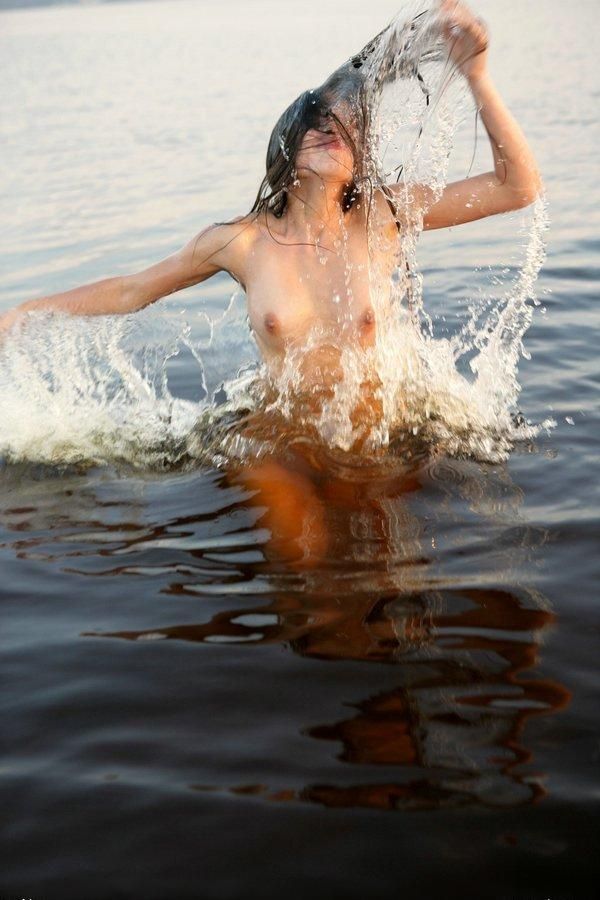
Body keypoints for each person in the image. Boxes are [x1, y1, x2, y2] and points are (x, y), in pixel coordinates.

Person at [0, 0, 542, 565]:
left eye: (348, 128)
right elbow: (131, 291)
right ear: (286, 142)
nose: (335, 132)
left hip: (382, 431)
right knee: (300, 562)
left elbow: (517, 186)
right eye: (319, 124)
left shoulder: (384, 216)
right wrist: (22, 313)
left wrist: (476, 74)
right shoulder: (241, 242)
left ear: (362, 157)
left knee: (382, 570)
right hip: (278, 437)